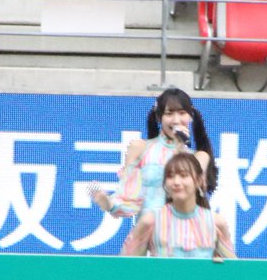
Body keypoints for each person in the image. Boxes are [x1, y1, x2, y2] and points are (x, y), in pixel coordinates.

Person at [91, 87, 217, 220]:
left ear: (190, 116)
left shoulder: (200, 157)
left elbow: (193, 196)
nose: (176, 120)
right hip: (148, 228)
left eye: (182, 113)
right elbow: (130, 198)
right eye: (169, 114)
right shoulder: (140, 148)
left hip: (183, 229)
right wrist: (109, 204)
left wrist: (181, 146)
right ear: (159, 117)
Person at [121, 153, 235, 258]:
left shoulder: (216, 222)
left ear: (199, 181)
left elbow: (234, 269)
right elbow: (126, 266)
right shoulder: (150, 221)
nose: (176, 182)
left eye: (183, 175)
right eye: (170, 176)